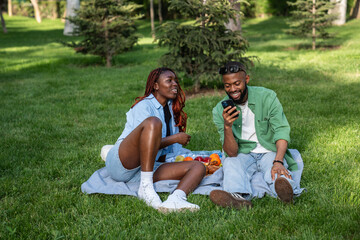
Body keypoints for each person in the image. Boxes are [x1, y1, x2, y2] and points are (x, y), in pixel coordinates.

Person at [105, 67, 206, 213]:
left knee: (198, 167)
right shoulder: (144, 106)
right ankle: (146, 188)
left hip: (149, 167)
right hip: (123, 164)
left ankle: (176, 199)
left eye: (176, 81)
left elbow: (171, 152)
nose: (175, 84)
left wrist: (191, 157)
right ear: (156, 86)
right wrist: (175, 138)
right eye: (169, 80)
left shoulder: (171, 109)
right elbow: (143, 144)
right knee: (153, 122)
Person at [210, 61, 299, 209]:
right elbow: (231, 152)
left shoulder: (267, 97)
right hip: (242, 153)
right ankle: (237, 198)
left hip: (268, 150)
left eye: (237, 83)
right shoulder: (219, 110)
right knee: (230, 163)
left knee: (276, 170)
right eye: (227, 85)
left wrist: (278, 160)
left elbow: (281, 130)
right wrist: (227, 126)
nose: (232, 89)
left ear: (247, 79)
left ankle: (286, 193)